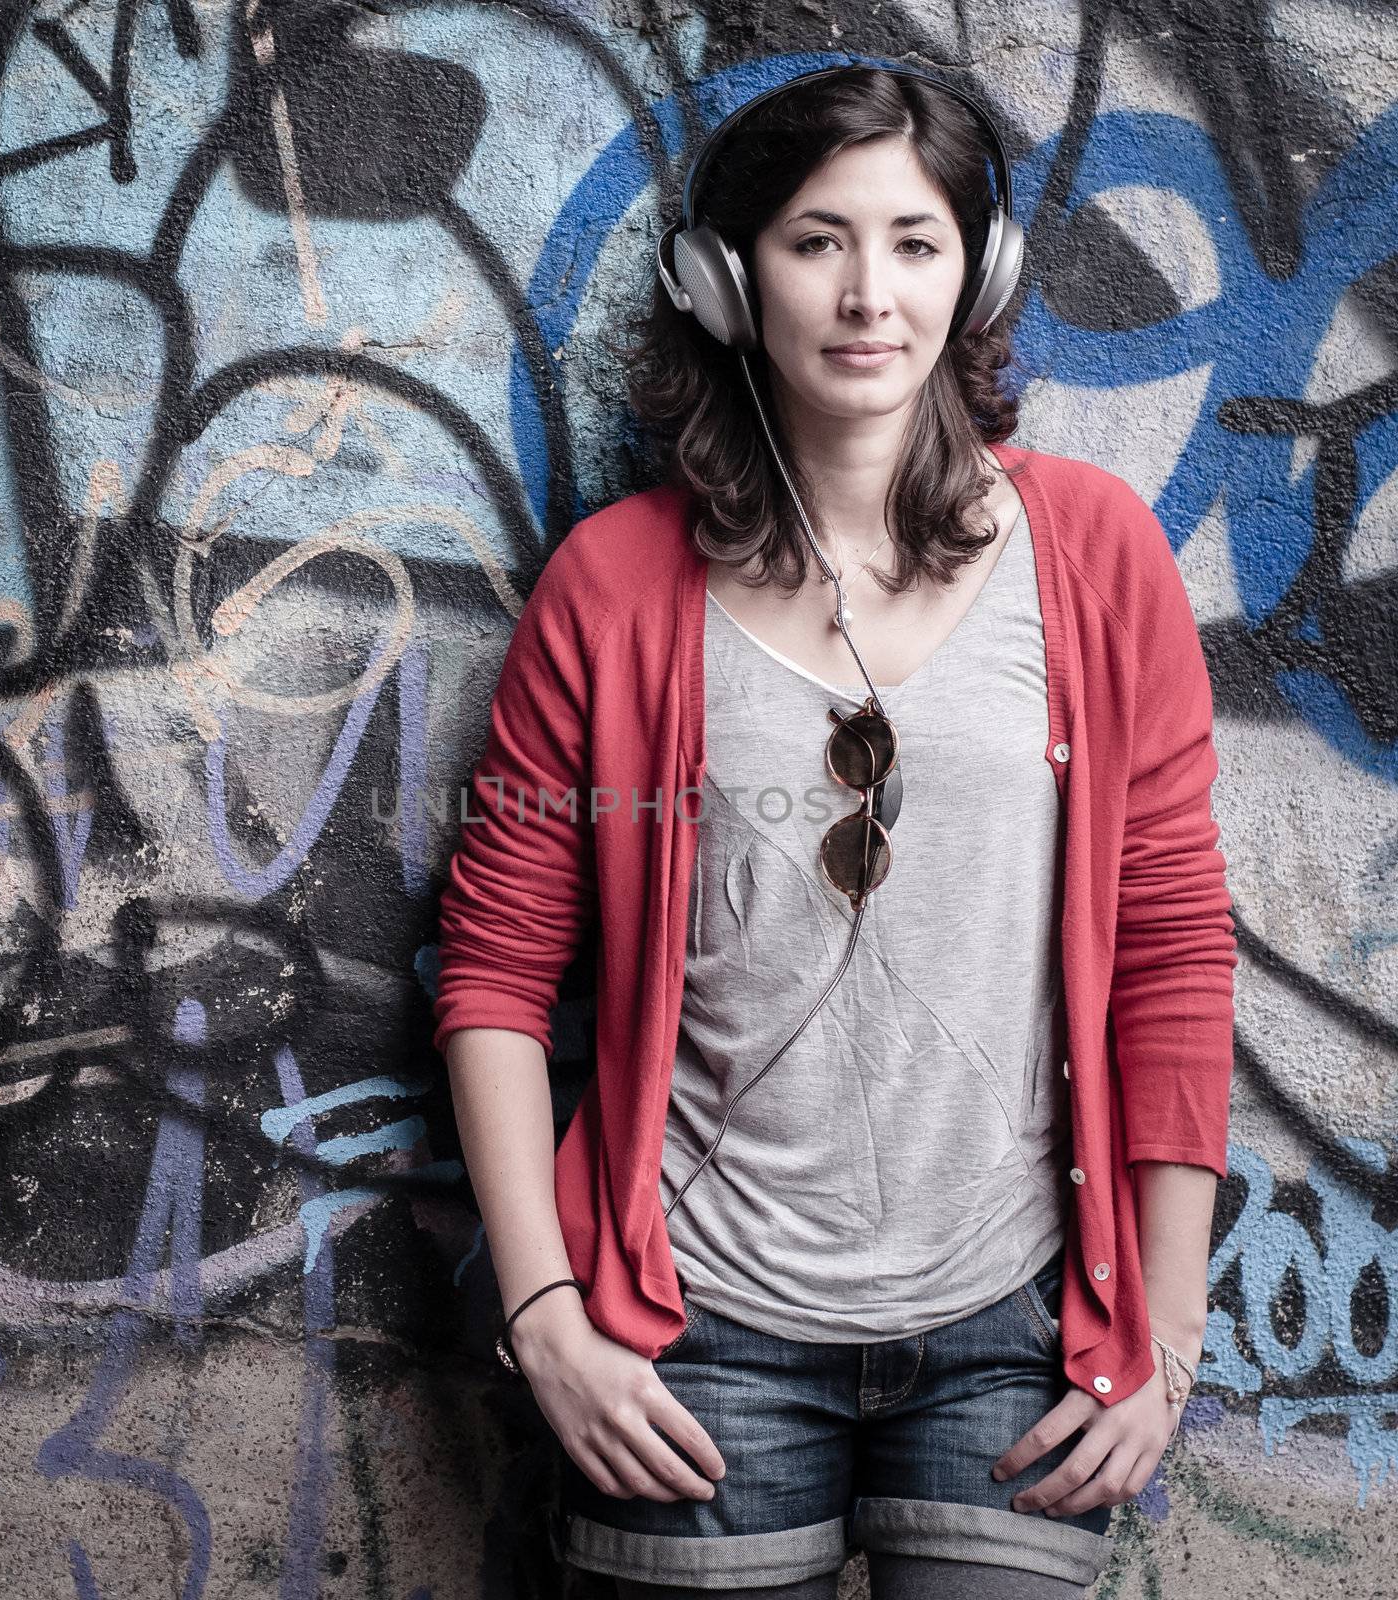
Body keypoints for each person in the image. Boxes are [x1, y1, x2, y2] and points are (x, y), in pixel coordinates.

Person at [433, 62, 1236, 1600]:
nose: (871, 294)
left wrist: (1170, 1336)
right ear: (727, 284)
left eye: (917, 242)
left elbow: (1175, 951)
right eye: (817, 241)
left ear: (978, 275)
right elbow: (493, 966)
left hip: (1017, 1329)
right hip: (694, 1333)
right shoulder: (612, 588)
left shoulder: (1096, 556)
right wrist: (542, 1304)